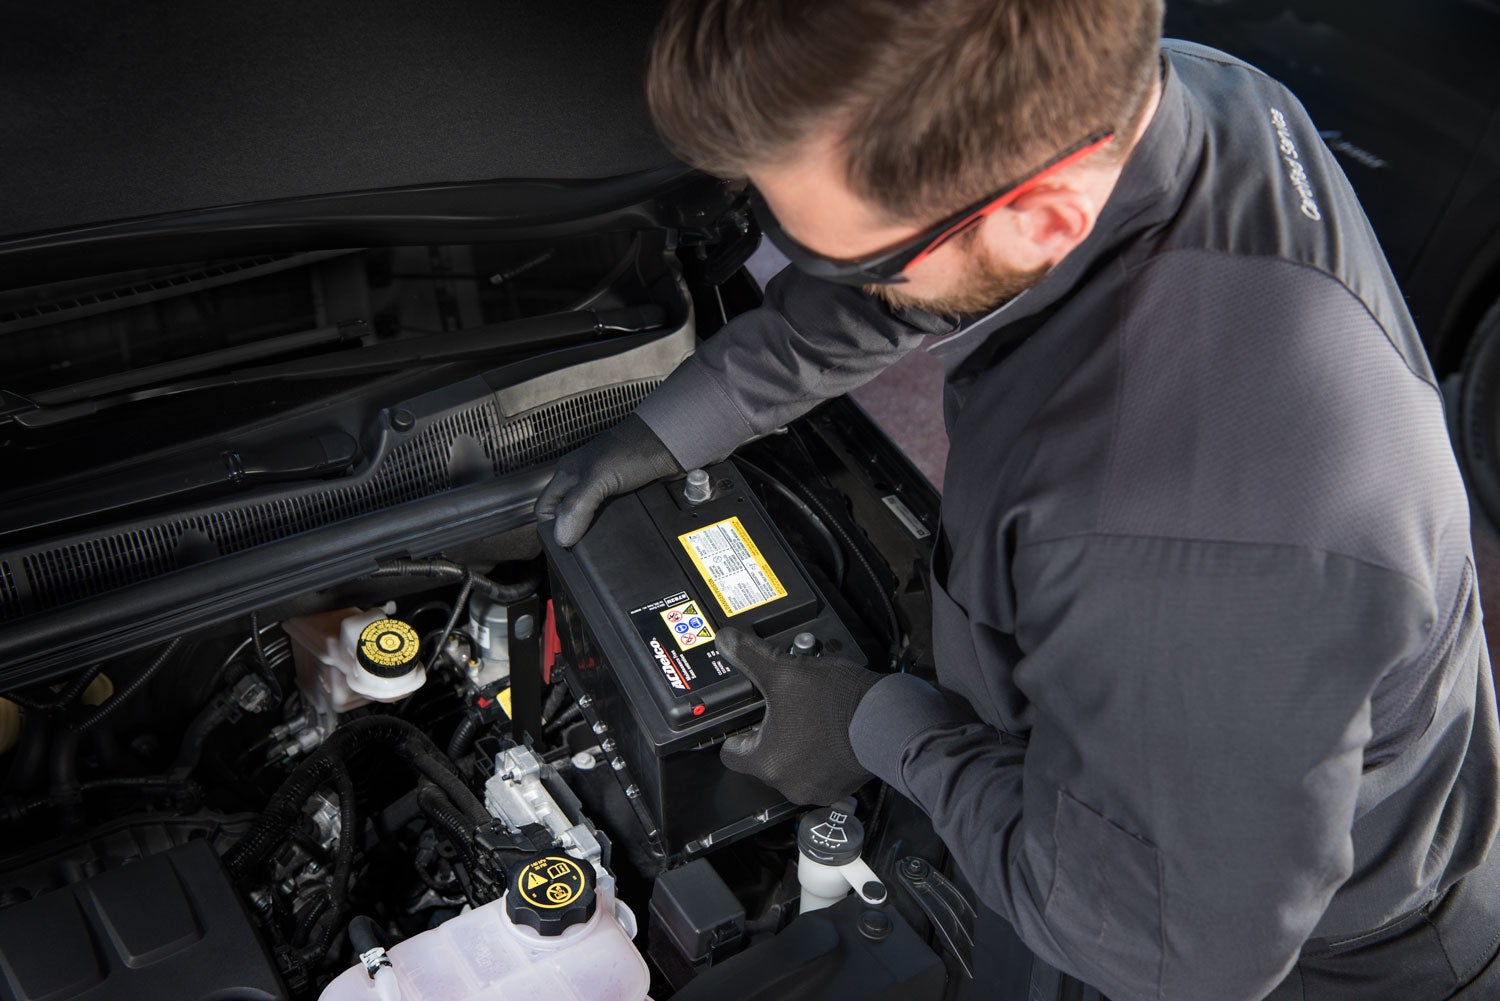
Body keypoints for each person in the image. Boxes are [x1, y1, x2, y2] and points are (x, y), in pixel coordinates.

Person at [536, 1, 1500, 998]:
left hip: (1336, 961)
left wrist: (881, 721)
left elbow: (1164, 948)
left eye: (836, 256)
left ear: (1042, 215)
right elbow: (900, 280)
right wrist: (674, 424)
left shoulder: (1190, 520)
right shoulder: (1170, 93)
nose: (811, 266)